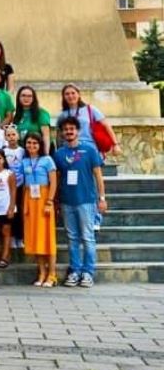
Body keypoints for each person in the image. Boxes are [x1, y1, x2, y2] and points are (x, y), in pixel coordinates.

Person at [53, 117, 107, 289]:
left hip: (86, 201)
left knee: (88, 237)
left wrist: (102, 198)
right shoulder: (59, 154)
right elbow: (58, 179)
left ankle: (88, 272)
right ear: (62, 133)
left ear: (77, 131)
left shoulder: (90, 150)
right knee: (72, 238)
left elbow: (98, 175)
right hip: (67, 202)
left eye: (72, 129)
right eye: (65, 129)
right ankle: (75, 271)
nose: (69, 132)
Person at [21, 132, 58, 287]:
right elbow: (24, 184)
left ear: (40, 145)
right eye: (29, 143)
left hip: (44, 198)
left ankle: (52, 274)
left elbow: (54, 183)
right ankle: (41, 272)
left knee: (48, 238)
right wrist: (24, 205)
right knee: (35, 237)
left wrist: (49, 202)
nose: (31, 146)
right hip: (30, 198)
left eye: (35, 143)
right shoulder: (24, 161)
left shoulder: (47, 160)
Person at [57, 84, 118, 151]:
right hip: (69, 148)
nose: (70, 96)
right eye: (67, 94)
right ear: (64, 97)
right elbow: (60, 136)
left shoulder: (90, 109)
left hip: (89, 147)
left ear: (79, 94)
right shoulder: (62, 115)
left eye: (73, 93)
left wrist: (115, 144)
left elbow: (106, 126)